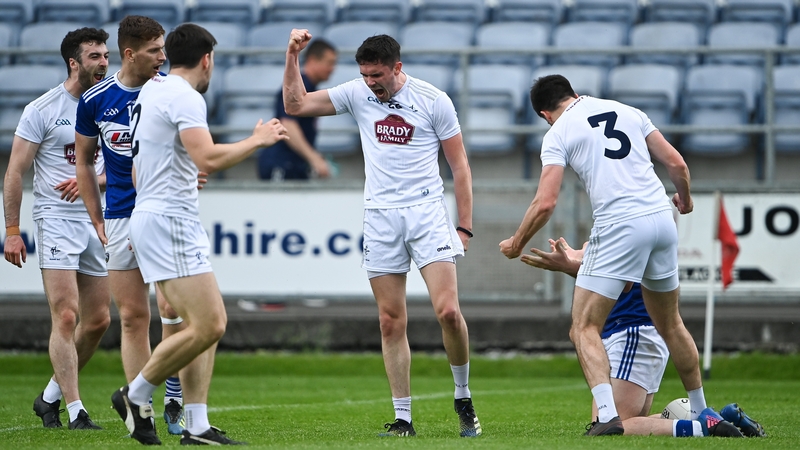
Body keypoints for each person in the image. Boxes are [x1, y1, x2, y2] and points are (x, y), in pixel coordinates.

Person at [283, 30, 480, 438]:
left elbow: (460, 166)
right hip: (380, 217)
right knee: (390, 321)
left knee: (448, 312)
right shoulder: (356, 93)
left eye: (378, 75)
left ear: (397, 68)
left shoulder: (434, 100)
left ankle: (462, 395)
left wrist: (463, 226)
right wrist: (292, 55)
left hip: (427, 213)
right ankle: (403, 418)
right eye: (366, 75)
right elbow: (296, 104)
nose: (372, 82)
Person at [499, 74, 709, 436]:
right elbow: (677, 165)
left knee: (583, 326)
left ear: (545, 114)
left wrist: (517, 242)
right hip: (661, 217)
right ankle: (705, 412)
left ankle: (608, 419)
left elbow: (546, 202)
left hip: (620, 223)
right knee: (672, 323)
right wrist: (685, 201)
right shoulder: (628, 111)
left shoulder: (558, 132)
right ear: (575, 94)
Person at [110, 23, 288, 445]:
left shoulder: (153, 90)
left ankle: (196, 424)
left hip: (158, 214)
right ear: (206, 58)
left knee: (198, 323)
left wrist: (176, 176)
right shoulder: (184, 96)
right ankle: (134, 394)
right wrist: (257, 140)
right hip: (170, 220)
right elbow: (207, 156)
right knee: (211, 324)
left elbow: (146, 165)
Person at [523, 237, 763, 437]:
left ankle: (705, 427)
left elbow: (621, 278)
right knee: (631, 421)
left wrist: (573, 262)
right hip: (638, 333)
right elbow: (599, 266)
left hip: (631, 332)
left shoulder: (625, 224)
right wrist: (572, 262)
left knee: (610, 426)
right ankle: (720, 418)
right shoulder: (636, 220)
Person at [74, 15, 187, 435]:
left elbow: (190, 145)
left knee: (174, 310)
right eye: (155, 50)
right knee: (134, 317)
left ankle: (174, 392)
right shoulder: (95, 99)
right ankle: (143, 412)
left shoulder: (171, 92)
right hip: (121, 216)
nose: (163, 57)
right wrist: (96, 217)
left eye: (164, 49)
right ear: (129, 53)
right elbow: (84, 162)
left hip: (166, 212)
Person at [2, 27, 110, 430]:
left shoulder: (112, 103)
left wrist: (93, 181)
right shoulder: (43, 109)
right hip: (56, 219)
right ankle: (76, 408)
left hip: (98, 219)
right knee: (66, 316)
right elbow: (14, 171)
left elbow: (124, 163)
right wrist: (12, 229)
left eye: (105, 55)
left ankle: (48, 398)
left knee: (98, 321)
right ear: (74, 62)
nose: (103, 62)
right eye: (95, 56)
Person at [257, 38, 337, 180]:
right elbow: (288, 125)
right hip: (281, 164)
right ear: (313, 60)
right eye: (329, 63)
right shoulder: (297, 88)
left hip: (293, 164)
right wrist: (314, 158)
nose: (333, 69)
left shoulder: (308, 87)